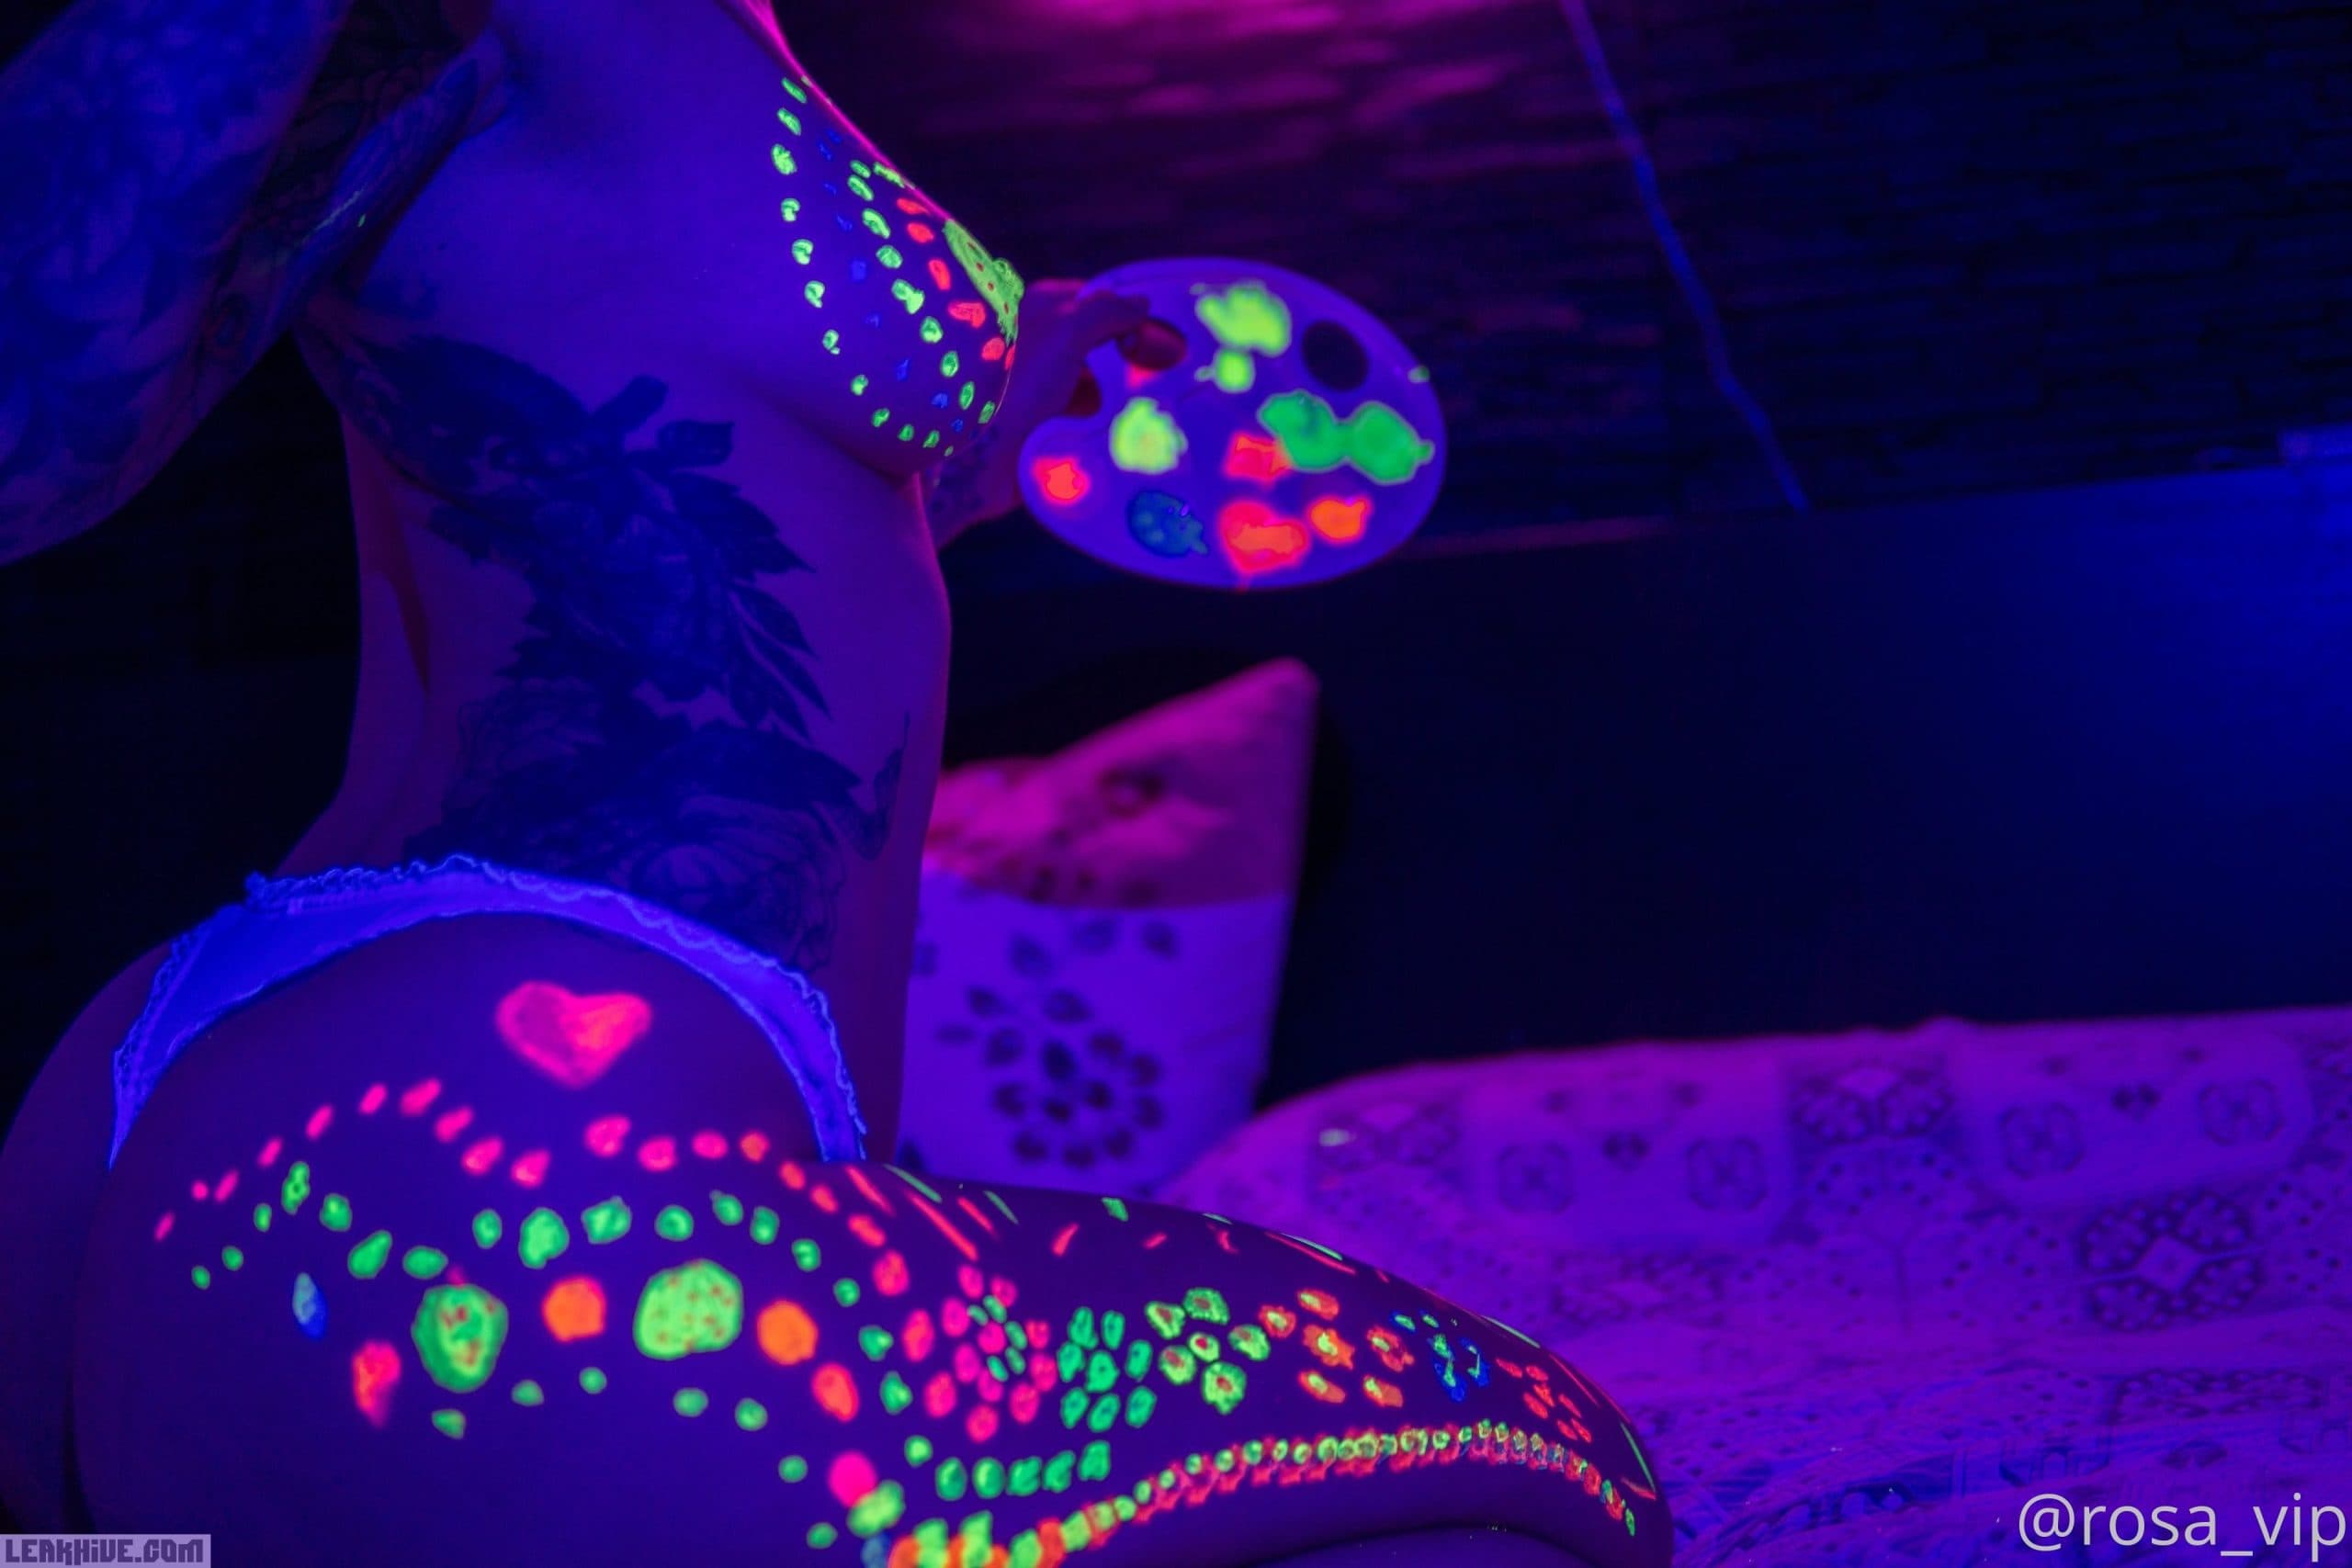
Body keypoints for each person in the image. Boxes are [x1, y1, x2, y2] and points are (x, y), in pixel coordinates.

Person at [0, 5, 1667, 1563]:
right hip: (519, 1112)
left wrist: (959, 449)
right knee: (1557, 1451)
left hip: (225, 1098)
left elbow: (648, 488)